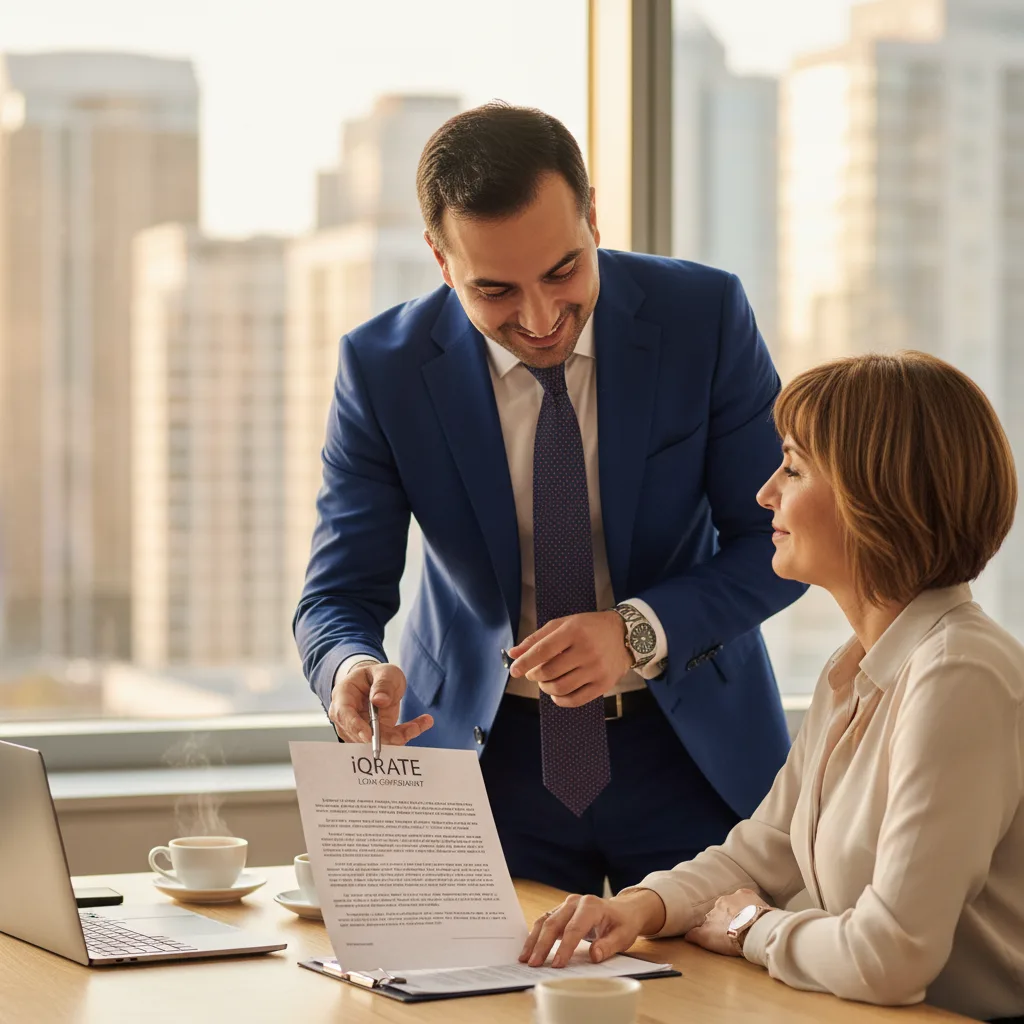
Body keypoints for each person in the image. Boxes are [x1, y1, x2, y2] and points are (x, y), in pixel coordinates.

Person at [293, 102, 806, 896]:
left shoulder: (703, 317)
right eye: (495, 289)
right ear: (439, 258)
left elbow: (779, 546)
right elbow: (335, 596)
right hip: (482, 767)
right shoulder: (381, 369)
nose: (539, 319)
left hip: (689, 753)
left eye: (563, 271)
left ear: (593, 217)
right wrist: (351, 670)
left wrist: (634, 631)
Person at [520, 350, 1024, 1023]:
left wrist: (750, 929)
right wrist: (636, 907)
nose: (765, 494)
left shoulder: (959, 673)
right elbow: (771, 846)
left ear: (873, 494)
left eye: (792, 466)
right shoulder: (859, 666)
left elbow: (891, 956)